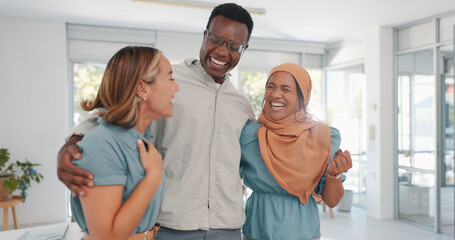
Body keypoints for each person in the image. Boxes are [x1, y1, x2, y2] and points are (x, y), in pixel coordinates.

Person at [57, 3, 255, 239]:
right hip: (170, 224)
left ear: (244, 49)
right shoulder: (165, 78)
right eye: (215, 39)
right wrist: (73, 145)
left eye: (233, 46)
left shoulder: (242, 105)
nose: (222, 52)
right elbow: (114, 110)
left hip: (228, 227)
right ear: (204, 36)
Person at [69, 46, 179, 240]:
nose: (176, 87)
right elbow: (106, 237)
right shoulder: (101, 145)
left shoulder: (142, 141)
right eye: (170, 78)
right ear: (142, 88)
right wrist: (153, 176)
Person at [240, 63, 352, 240]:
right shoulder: (249, 134)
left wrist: (334, 176)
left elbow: (331, 201)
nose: (276, 94)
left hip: (304, 233)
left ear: (302, 98)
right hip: (256, 231)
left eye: (286, 89)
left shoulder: (322, 136)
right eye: (271, 87)